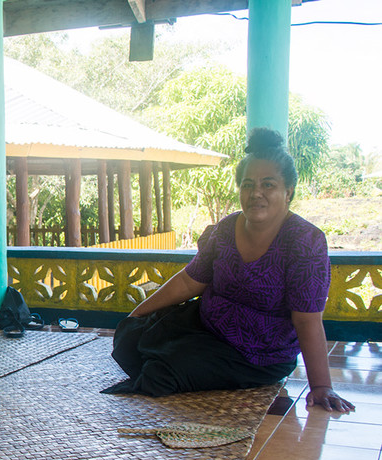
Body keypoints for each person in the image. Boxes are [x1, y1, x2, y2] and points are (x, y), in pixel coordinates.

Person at [104, 128, 354, 413]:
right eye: (247, 184)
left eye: (268, 184)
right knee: (130, 334)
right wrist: (138, 312)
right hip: (205, 328)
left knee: (163, 373)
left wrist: (320, 385)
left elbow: (307, 320)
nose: (255, 193)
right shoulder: (225, 229)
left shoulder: (304, 242)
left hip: (258, 353)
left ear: (289, 192)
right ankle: (177, 361)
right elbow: (189, 281)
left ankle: (179, 367)